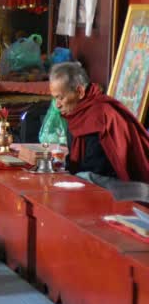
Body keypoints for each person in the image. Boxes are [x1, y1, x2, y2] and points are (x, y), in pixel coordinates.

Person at [49, 62, 149, 200]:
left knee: (81, 178)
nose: (57, 105)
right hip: (98, 178)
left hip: (127, 188)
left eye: (60, 98)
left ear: (80, 92)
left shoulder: (100, 115)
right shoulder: (78, 113)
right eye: (55, 98)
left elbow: (96, 167)